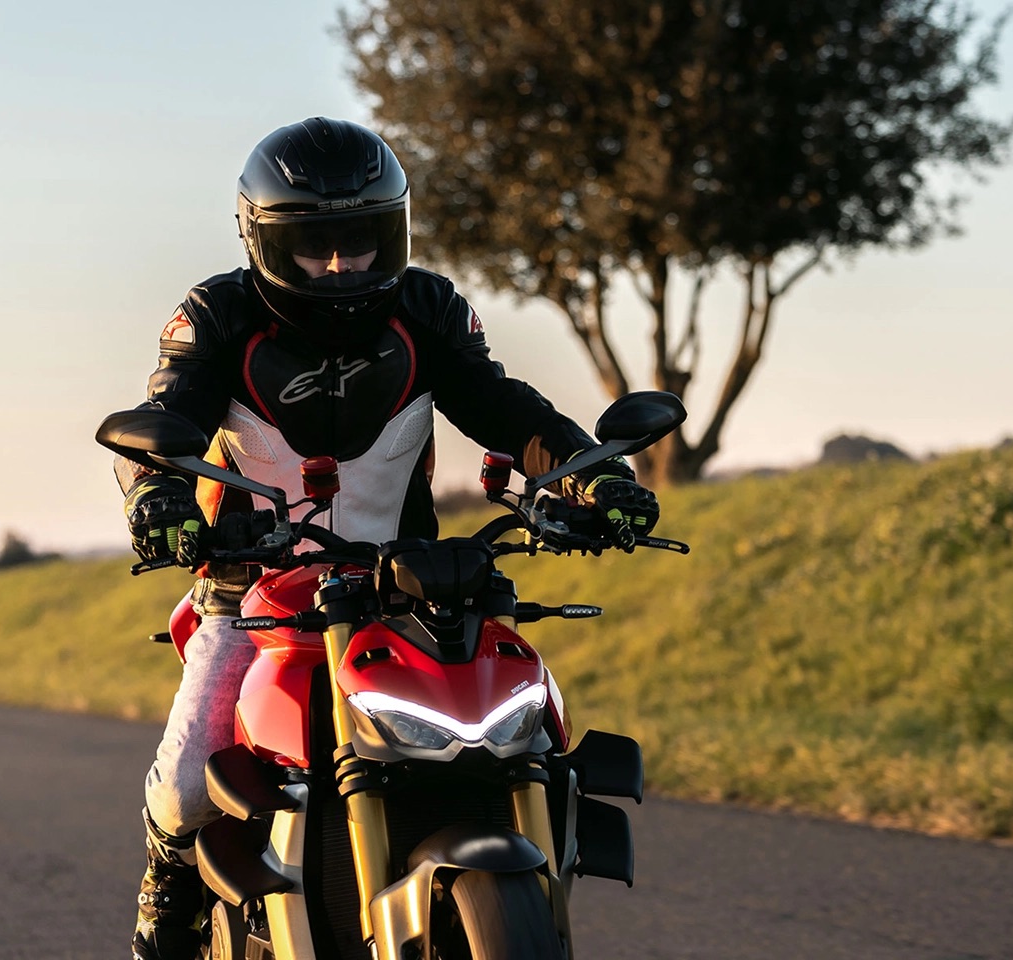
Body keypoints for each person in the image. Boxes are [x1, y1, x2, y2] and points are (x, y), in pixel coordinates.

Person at [115, 116, 661, 960]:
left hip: (404, 587)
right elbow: (166, 419)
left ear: (395, 230)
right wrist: (157, 496)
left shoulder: (427, 308)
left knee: (524, 735)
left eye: (362, 239)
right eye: (315, 245)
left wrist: (596, 477)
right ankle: (166, 898)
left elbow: (504, 408)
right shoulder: (216, 315)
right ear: (264, 240)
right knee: (190, 781)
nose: (342, 264)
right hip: (249, 591)